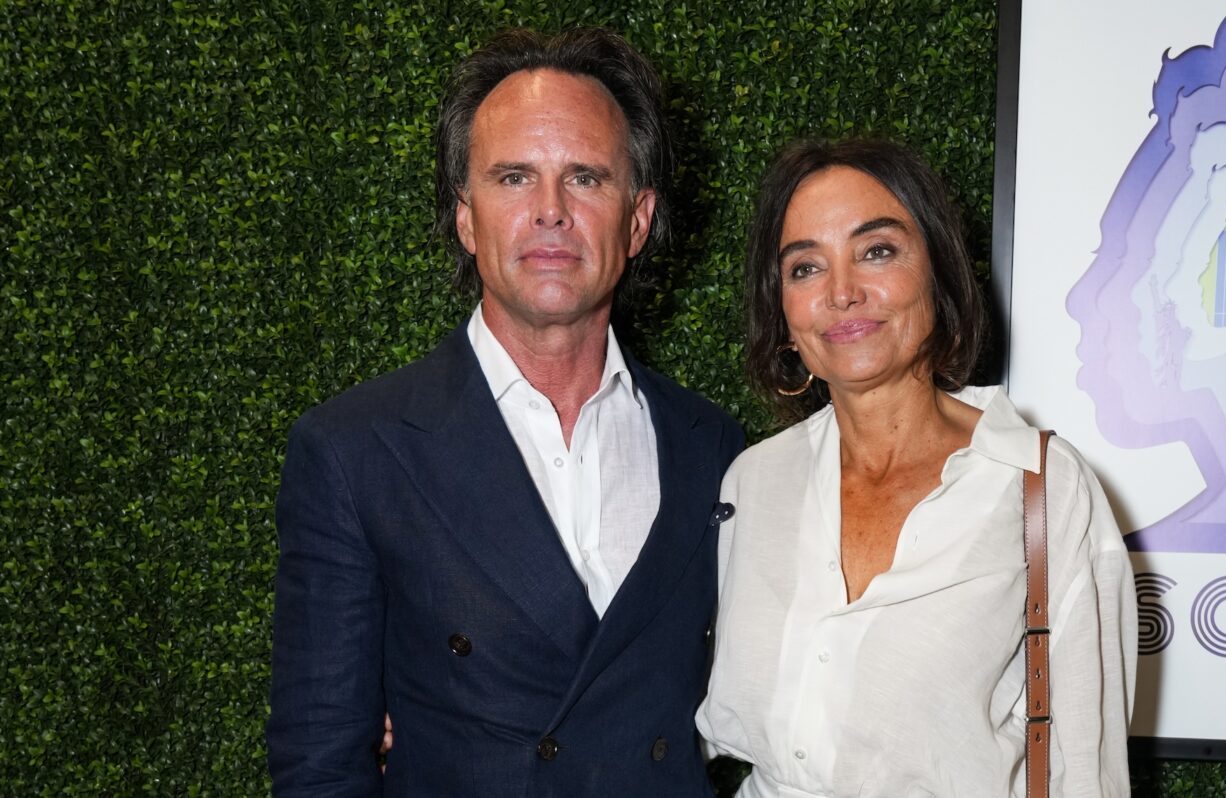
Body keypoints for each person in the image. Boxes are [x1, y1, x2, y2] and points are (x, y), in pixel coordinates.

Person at [268, 28, 743, 796]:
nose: (551, 210)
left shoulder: (712, 448)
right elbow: (319, 767)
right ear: (466, 217)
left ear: (637, 220)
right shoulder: (355, 451)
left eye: (585, 177)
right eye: (515, 177)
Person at [696, 139, 1136, 797]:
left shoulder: (1040, 488)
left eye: (876, 251)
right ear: (783, 314)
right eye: (805, 268)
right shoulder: (753, 482)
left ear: (939, 275)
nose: (842, 293)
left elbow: (1085, 766)